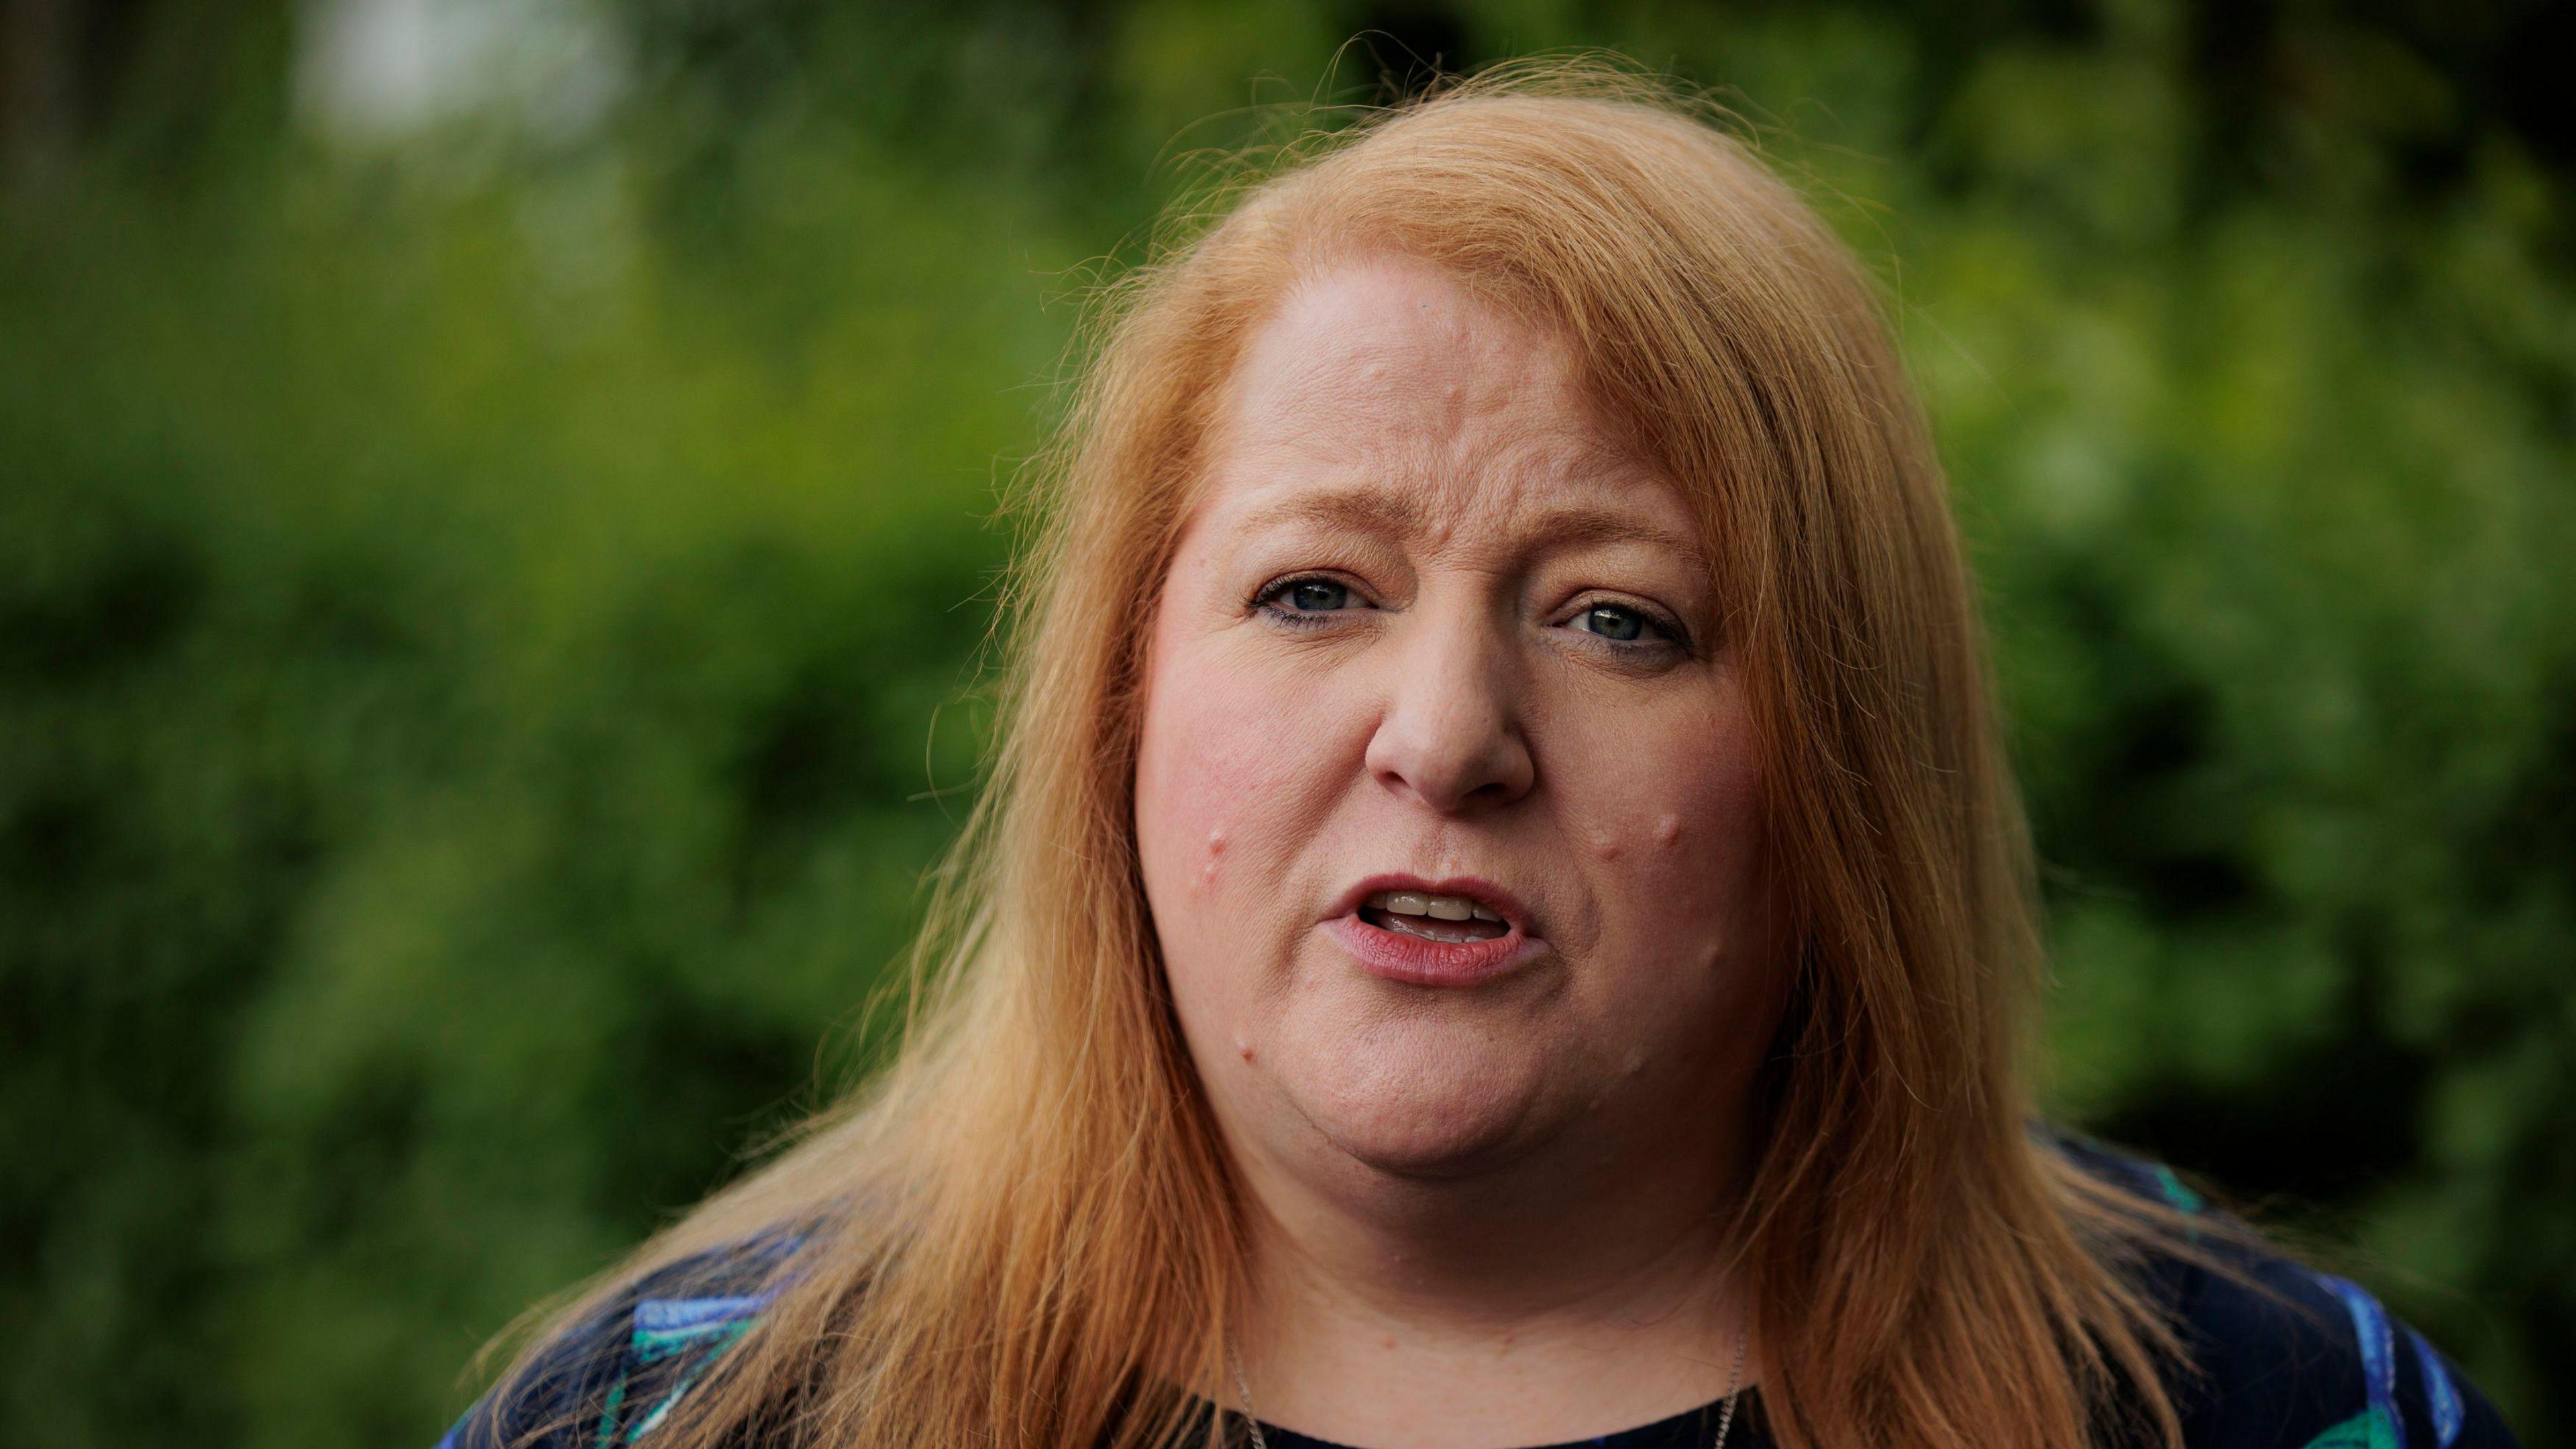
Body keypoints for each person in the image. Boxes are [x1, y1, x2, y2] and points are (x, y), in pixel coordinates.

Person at [437, 66, 2520, 1449]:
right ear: (1119, 704)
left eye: (1621, 618)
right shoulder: (682, 1420)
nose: (1445, 738)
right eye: (1316, 592)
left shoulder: (2262, 1412)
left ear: (1847, 766)